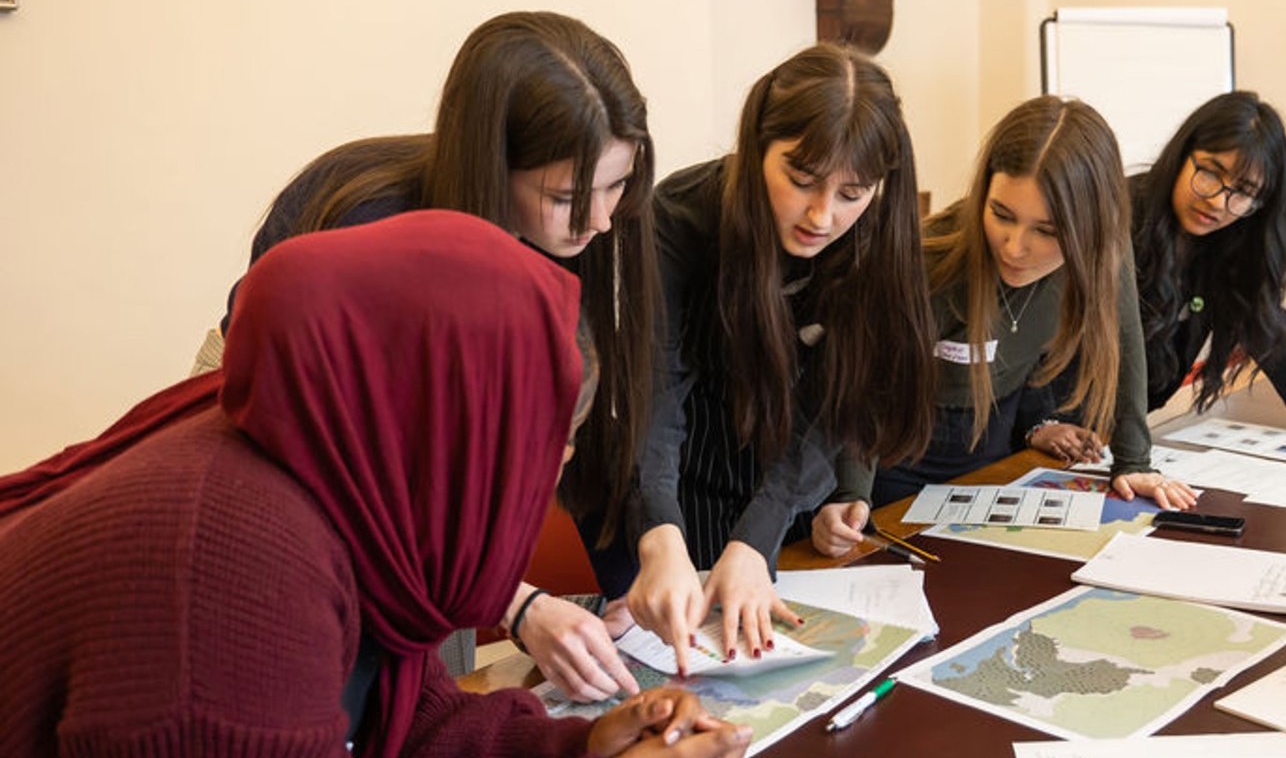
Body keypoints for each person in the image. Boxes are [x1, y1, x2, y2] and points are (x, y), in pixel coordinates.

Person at [0, 212, 748, 758]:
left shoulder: (338, 476)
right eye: (554, 442)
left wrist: (576, 750)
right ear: (456, 432)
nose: (555, 470)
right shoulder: (231, 578)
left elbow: (405, 717)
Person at [225, 10, 659, 703]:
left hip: (400, 498)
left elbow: (589, 428)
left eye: (620, 186)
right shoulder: (366, 225)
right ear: (494, 167)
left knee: (439, 685)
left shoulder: (584, 231)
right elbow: (362, 495)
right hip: (290, 470)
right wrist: (517, 605)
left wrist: (634, 580)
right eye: (569, 197)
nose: (603, 220)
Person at [628, 43, 937, 675]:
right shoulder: (681, 220)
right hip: (675, 472)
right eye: (800, 181)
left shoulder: (877, 238)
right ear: (757, 147)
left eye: (853, 193)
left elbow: (841, 399)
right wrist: (661, 534)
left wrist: (757, 538)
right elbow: (656, 393)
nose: (823, 216)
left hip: (784, 477)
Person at [1025, 92, 1286, 466]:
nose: (1217, 201)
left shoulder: (1231, 242)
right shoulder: (1116, 215)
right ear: (1184, 153)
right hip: (1049, 431)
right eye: (1210, 172)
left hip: (1114, 442)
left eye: (1244, 192)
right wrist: (1039, 423)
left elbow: (1267, 325)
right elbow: (1031, 328)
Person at [859, 95, 1198, 511]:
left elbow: (1125, 339)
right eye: (1001, 214)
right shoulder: (928, 257)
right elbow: (864, 392)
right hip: (897, 460)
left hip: (994, 459)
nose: (1015, 247)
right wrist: (850, 496)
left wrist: (1133, 461)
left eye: (1047, 230)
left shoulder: (1105, 246)